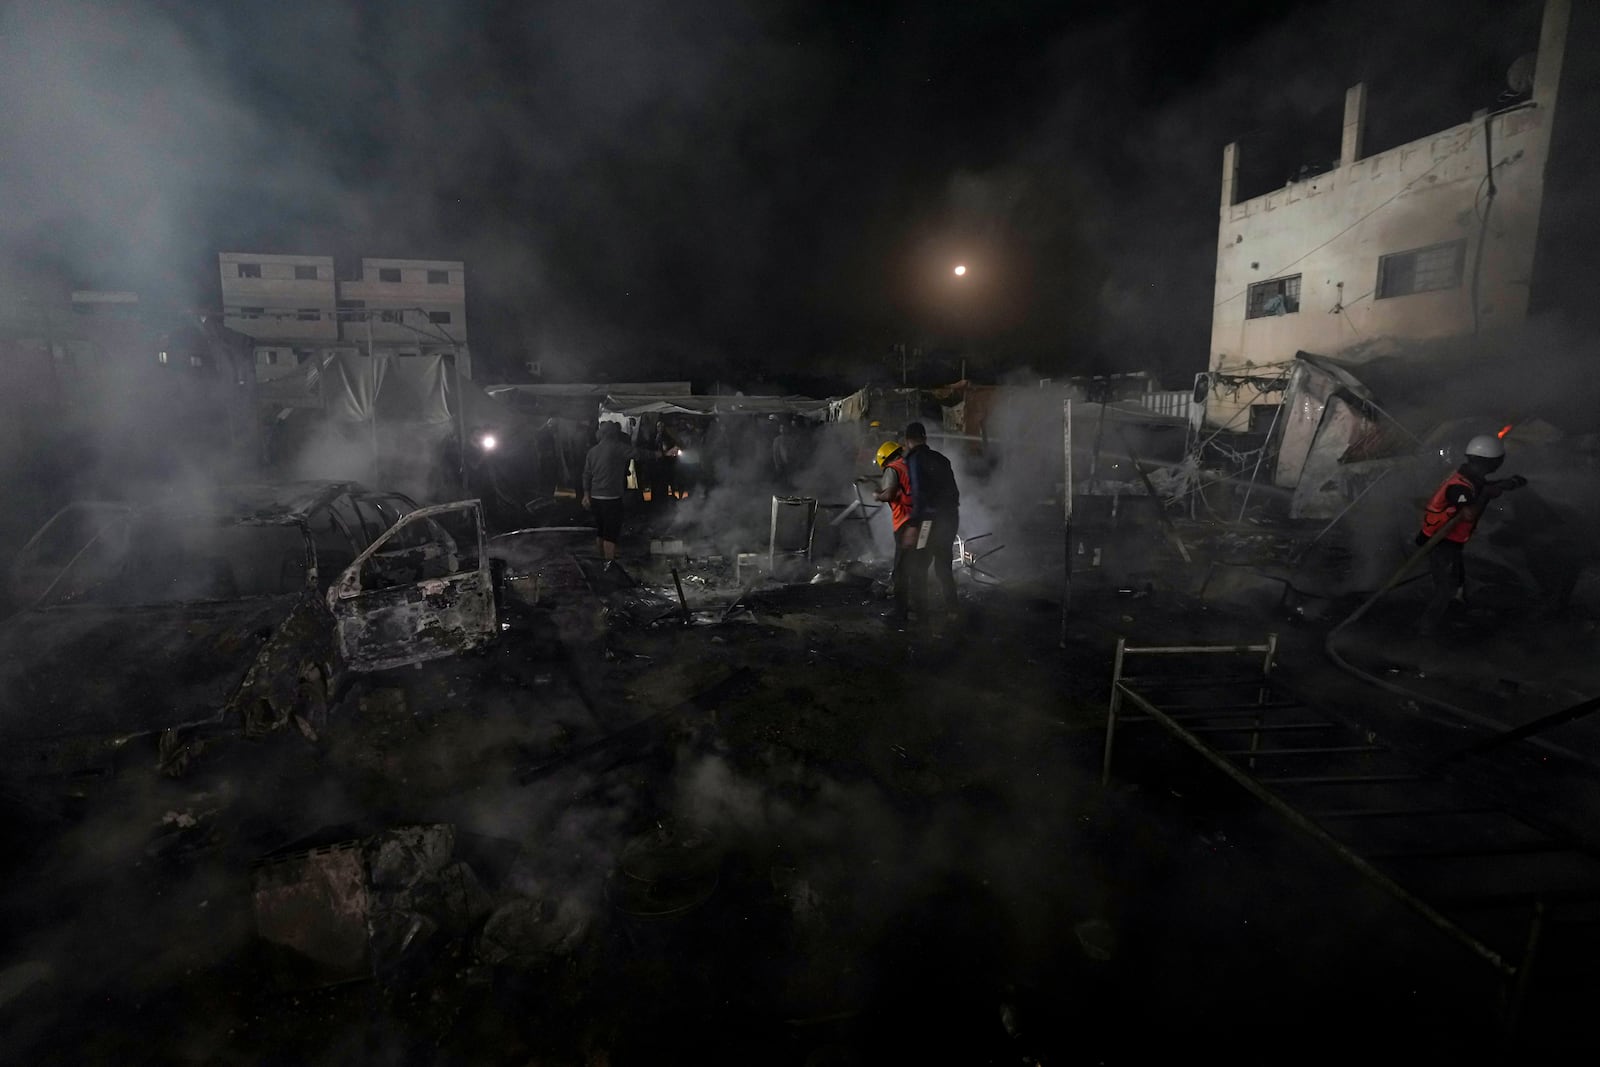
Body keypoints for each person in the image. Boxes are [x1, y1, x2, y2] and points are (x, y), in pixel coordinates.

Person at [1414, 433, 1527, 634]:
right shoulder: (1461, 486)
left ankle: (1453, 615)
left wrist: (1508, 483)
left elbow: (1484, 487)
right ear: (1493, 462)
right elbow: (1469, 512)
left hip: (1449, 540)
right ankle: (1426, 629)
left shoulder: (1469, 477)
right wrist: (1487, 494)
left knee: (1456, 581)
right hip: (1441, 540)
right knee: (1446, 588)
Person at [582, 421, 671, 564]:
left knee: (600, 530)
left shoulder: (592, 451)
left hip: (595, 497)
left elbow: (586, 474)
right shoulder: (617, 448)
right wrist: (661, 454)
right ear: (613, 433)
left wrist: (586, 494)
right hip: (611, 498)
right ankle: (609, 565)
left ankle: (600, 561)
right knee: (610, 533)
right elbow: (639, 454)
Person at [902, 422, 961, 618]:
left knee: (919, 564)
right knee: (944, 565)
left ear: (907, 441)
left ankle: (920, 612)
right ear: (925, 438)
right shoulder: (942, 459)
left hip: (928, 522)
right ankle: (953, 610)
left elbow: (919, 495)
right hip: (950, 518)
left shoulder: (914, 460)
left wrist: (913, 525)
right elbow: (954, 493)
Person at [873, 439, 918, 627]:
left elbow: (890, 494)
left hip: (905, 524)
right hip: (921, 521)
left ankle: (900, 612)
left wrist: (878, 496)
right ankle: (918, 607)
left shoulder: (893, 469)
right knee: (917, 566)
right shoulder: (911, 466)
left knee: (901, 570)